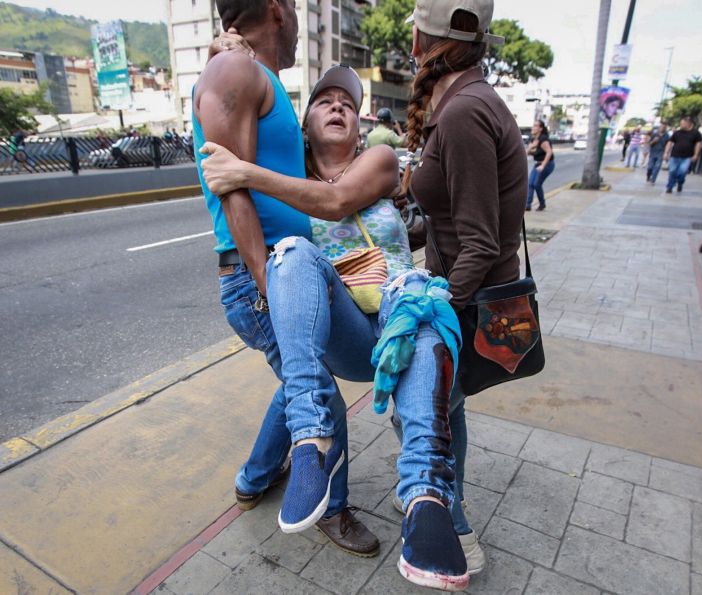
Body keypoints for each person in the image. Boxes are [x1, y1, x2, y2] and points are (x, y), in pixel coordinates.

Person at [201, 40, 477, 593]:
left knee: (416, 294)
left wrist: (244, 172)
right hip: (350, 329)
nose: (336, 107)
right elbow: (240, 106)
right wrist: (229, 47)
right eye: (324, 100)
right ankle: (312, 439)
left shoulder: (376, 160)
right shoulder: (294, 169)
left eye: (347, 105)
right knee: (293, 254)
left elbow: (333, 202)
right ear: (305, 126)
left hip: (402, 318)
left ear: (359, 126)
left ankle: (425, 496)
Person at [192, 1, 381, 560]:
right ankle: (334, 508)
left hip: (284, 270)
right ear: (277, 9)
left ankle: (253, 479)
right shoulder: (235, 71)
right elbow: (232, 187)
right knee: (316, 391)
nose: (299, 21)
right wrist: (267, 286)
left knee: (298, 380)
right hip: (264, 276)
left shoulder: (252, 72)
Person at [402, 0, 525, 587]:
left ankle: (452, 528)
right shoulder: (467, 100)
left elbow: (480, 241)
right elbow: (461, 219)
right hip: (460, 286)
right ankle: (450, 511)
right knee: (444, 412)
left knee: (424, 414)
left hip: (462, 296)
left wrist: (432, 312)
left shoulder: (463, 112)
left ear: (427, 41)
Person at [664, 116, 702, 193]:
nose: (681, 125)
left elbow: (698, 144)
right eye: (680, 123)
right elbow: (670, 142)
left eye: (683, 123)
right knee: (672, 171)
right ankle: (670, 187)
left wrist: (696, 154)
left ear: (688, 124)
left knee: (682, 172)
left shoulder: (696, 133)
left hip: (687, 157)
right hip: (674, 155)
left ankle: (680, 182)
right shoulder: (677, 133)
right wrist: (666, 153)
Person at [525, 119, 554, 211]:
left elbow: (549, 152)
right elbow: (527, 153)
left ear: (540, 128)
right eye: (533, 125)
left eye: (536, 126)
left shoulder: (543, 139)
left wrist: (543, 166)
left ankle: (542, 204)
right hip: (537, 164)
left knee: (537, 184)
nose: (533, 128)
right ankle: (528, 205)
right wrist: (531, 147)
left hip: (547, 164)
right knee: (530, 183)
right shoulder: (533, 140)